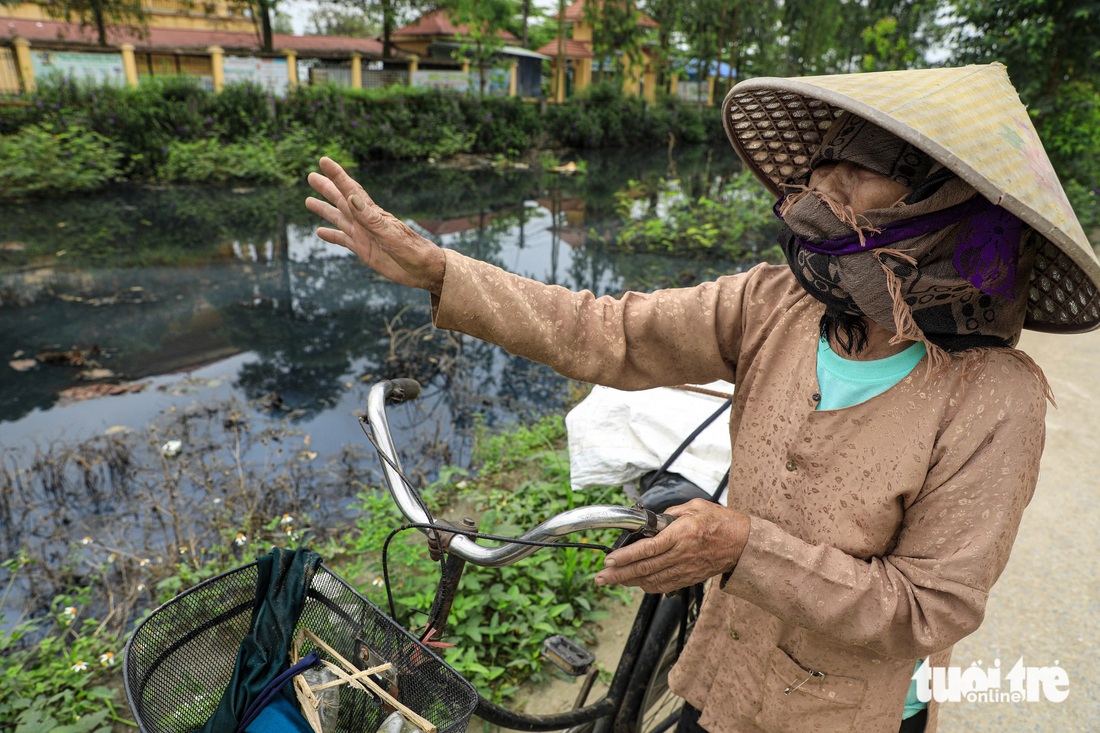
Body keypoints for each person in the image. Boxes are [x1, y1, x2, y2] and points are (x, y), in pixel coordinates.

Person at [305, 64, 1100, 733]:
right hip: (720, 675)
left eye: (857, 169)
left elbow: (928, 607)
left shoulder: (992, 398)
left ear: (941, 202)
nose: (821, 188)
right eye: (824, 163)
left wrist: (744, 549)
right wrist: (441, 270)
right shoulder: (777, 302)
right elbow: (607, 333)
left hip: (847, 711)